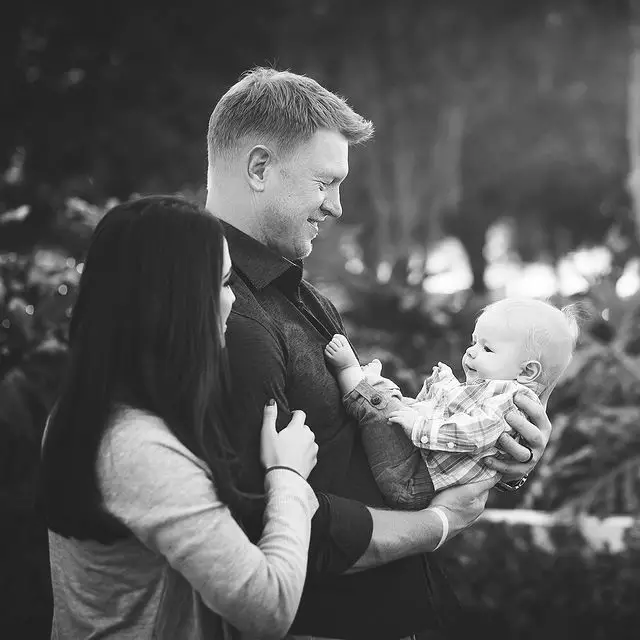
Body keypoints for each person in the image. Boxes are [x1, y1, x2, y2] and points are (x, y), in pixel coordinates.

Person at [205, 67, 553, 640]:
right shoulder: (229, 318)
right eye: (325, 182)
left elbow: (364, 456)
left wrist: (494, 451)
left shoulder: (301, 298)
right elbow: (267, 521)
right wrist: (441, 522)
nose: (337, 206)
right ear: (260, 168)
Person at [38, 195, 320, 639]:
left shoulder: (92, 412)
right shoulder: (138, 451)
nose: (233, 302)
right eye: (223, 284)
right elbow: (269, 608)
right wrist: (288, 479)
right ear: (176, 303)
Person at [324, 298, 578, 509]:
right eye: (473, 342)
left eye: (487, 349)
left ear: (527, 372)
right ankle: (372, 384)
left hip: (414, 477)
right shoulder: (484, 391)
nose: (471, 352)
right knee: (397, 408)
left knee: (381, 414)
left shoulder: (509, 399)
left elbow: (474, 434)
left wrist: (420, 427)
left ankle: (351, 374)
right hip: (417, 466)